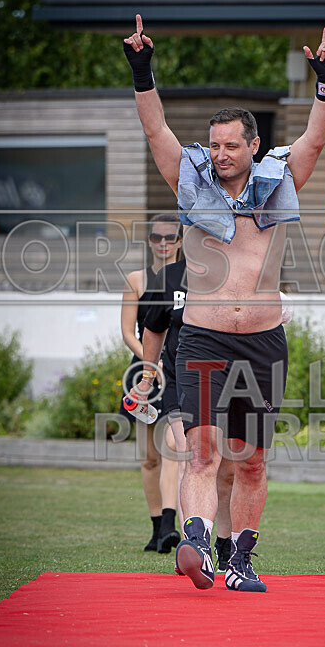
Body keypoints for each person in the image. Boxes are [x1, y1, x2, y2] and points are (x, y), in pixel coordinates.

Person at [124, 14, 325, 592]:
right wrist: (142, 71)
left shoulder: (281, 178)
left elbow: (316, 139)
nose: (219, 153)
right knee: (202, 452)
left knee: (252, 460)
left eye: (230, 145)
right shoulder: (190, 181)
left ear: (254, 146)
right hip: (203, 336)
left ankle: (240, 559)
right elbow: (156, 133)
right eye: (214, 145)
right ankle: (194, 538)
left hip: (264, 340)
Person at [140, 256, 234, 572]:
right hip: (183, 379)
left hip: (228, 378)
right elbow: (152, 328)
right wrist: (147, 377)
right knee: (191, 455)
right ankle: (194, 545)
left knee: (227, 468)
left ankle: (224, 542)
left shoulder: (234, 271)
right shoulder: (169, 277)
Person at [120, 213, 182, 553]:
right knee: (149, 457)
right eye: (157, 237)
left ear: (180, 241)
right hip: (144, 371)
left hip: (176, 369)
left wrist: (164, 361)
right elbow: (129, 331)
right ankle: (157, 528)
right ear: (149, 241)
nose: (163, 243)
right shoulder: (136, 280)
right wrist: (150, 360)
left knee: (173, 450)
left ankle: (173, 527)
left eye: (170, 238)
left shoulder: (188, 278)